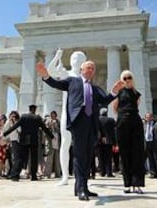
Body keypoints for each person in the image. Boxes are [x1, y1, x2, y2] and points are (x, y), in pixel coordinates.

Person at [37, 60, 124, 201]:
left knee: (88, 156)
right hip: (78, 121)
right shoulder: (73, 81)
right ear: (82, 70)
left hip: (92, 124)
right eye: (88, 68)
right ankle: (81, 188)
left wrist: (114, 92)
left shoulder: (95, 88)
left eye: (93, 69)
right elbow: (56, 84)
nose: (91, 70)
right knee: (79, 155)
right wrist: (46, 76)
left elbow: (105, 100)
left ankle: (81, 187)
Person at [46, 48, 86, 186]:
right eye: (74, 58)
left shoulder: (84, 79)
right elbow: (50, 71)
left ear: (84, 62)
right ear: (70, 60)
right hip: (67, 114)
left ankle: (81, 176)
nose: (76, 61)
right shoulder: (66, 74)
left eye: (80, 59)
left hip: (81, 116)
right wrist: (57, 56)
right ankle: (64, 176)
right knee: (65, 144)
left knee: (81, 147)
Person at [111, 70, 145, 194]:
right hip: (122, 122)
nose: (127, 80)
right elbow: (115, 108)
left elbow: (136, 106)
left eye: (129, 77)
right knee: (124, 154)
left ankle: (137, 183)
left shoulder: (137, 93)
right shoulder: (118, 93)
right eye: (124, 78)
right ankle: (127, 183)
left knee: (137, 153)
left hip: (135, 122)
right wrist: (123, 117)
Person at [3, 104, 54, 182]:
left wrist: (5, 133)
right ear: (35, 110)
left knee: (21, 158)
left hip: (24, 140)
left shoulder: (23, 117)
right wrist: (52, 136)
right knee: (34, 159)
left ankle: (15, 176)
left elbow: (15, 126)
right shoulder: (37, 118)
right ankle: (33, 176)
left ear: (29, 109)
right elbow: (44, 128)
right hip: (34, 140)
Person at [98, 108, 116, 177]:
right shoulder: (111, 120)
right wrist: (114, 142)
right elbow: (114, 131)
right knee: (109, 157)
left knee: (101, 157)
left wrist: (101, 137)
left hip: (100, 141)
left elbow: (98, 129)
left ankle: (102, 172)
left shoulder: (98, 120)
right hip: (109, 141)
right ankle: (109, 172)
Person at [44, 111, 61, 178]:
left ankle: (58, 173)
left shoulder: (58, 122)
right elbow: (45, 130)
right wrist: (50, 125)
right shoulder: (48, 121)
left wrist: (56, 126)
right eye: (52, 116)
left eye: (55, 115)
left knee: (57, 159)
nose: (53, 117)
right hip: (50, 141)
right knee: (49, 158)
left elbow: (60, 131)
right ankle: (47, 174)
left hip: (57, 141)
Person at [144, 112, 157, 178]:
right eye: (146, 117)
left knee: (156, 158)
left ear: (152, 117)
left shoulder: (155, 124)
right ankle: (152, 172)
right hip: (147, 142)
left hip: (154, 142)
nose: (148, 118)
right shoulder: (145, 125)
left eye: (149, 117)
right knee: (150, 158)